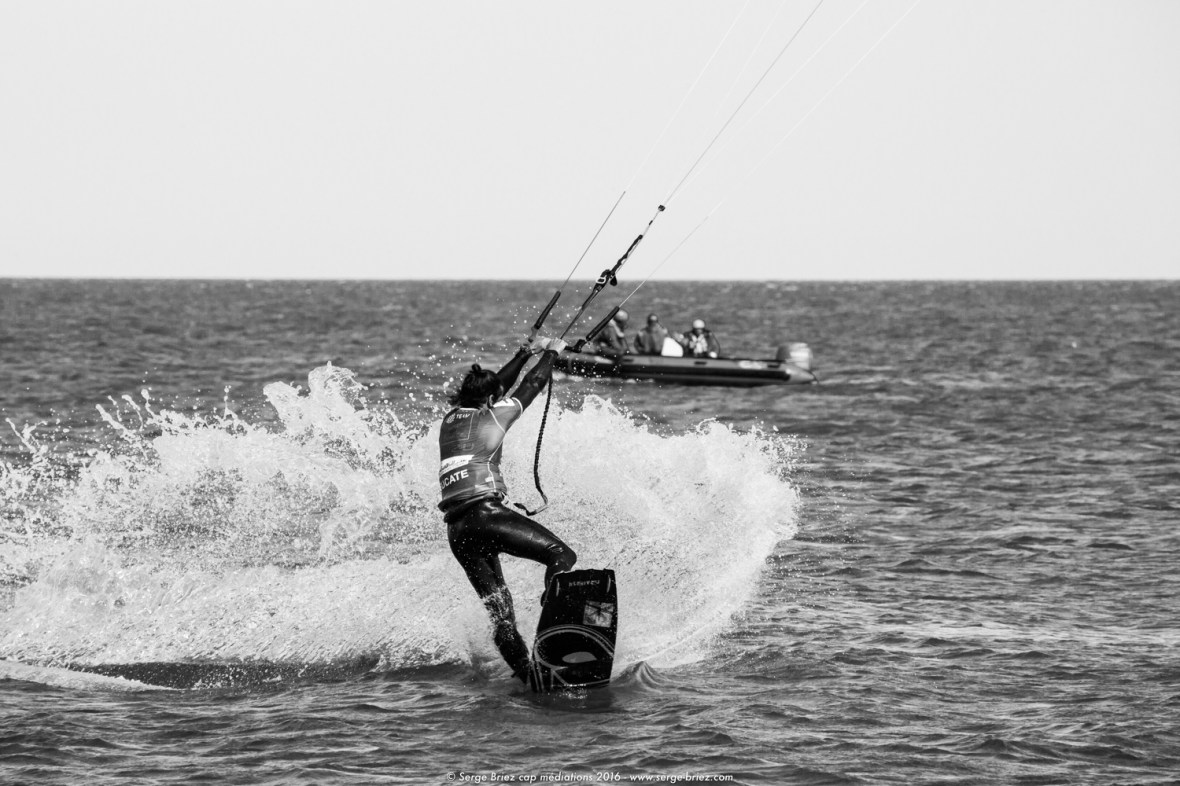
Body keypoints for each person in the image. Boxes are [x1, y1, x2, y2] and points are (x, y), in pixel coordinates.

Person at [437, 336, 577, 685]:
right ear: (489, 400)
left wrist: (523, 352)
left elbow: (497, 385)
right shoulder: (495, 417)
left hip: (457, 531)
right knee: (561, 556)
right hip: (486, 516)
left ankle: (530, 679)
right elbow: (530, 383)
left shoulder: (451, 419)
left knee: (501, 618)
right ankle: (555, 628)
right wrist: (551, 354)